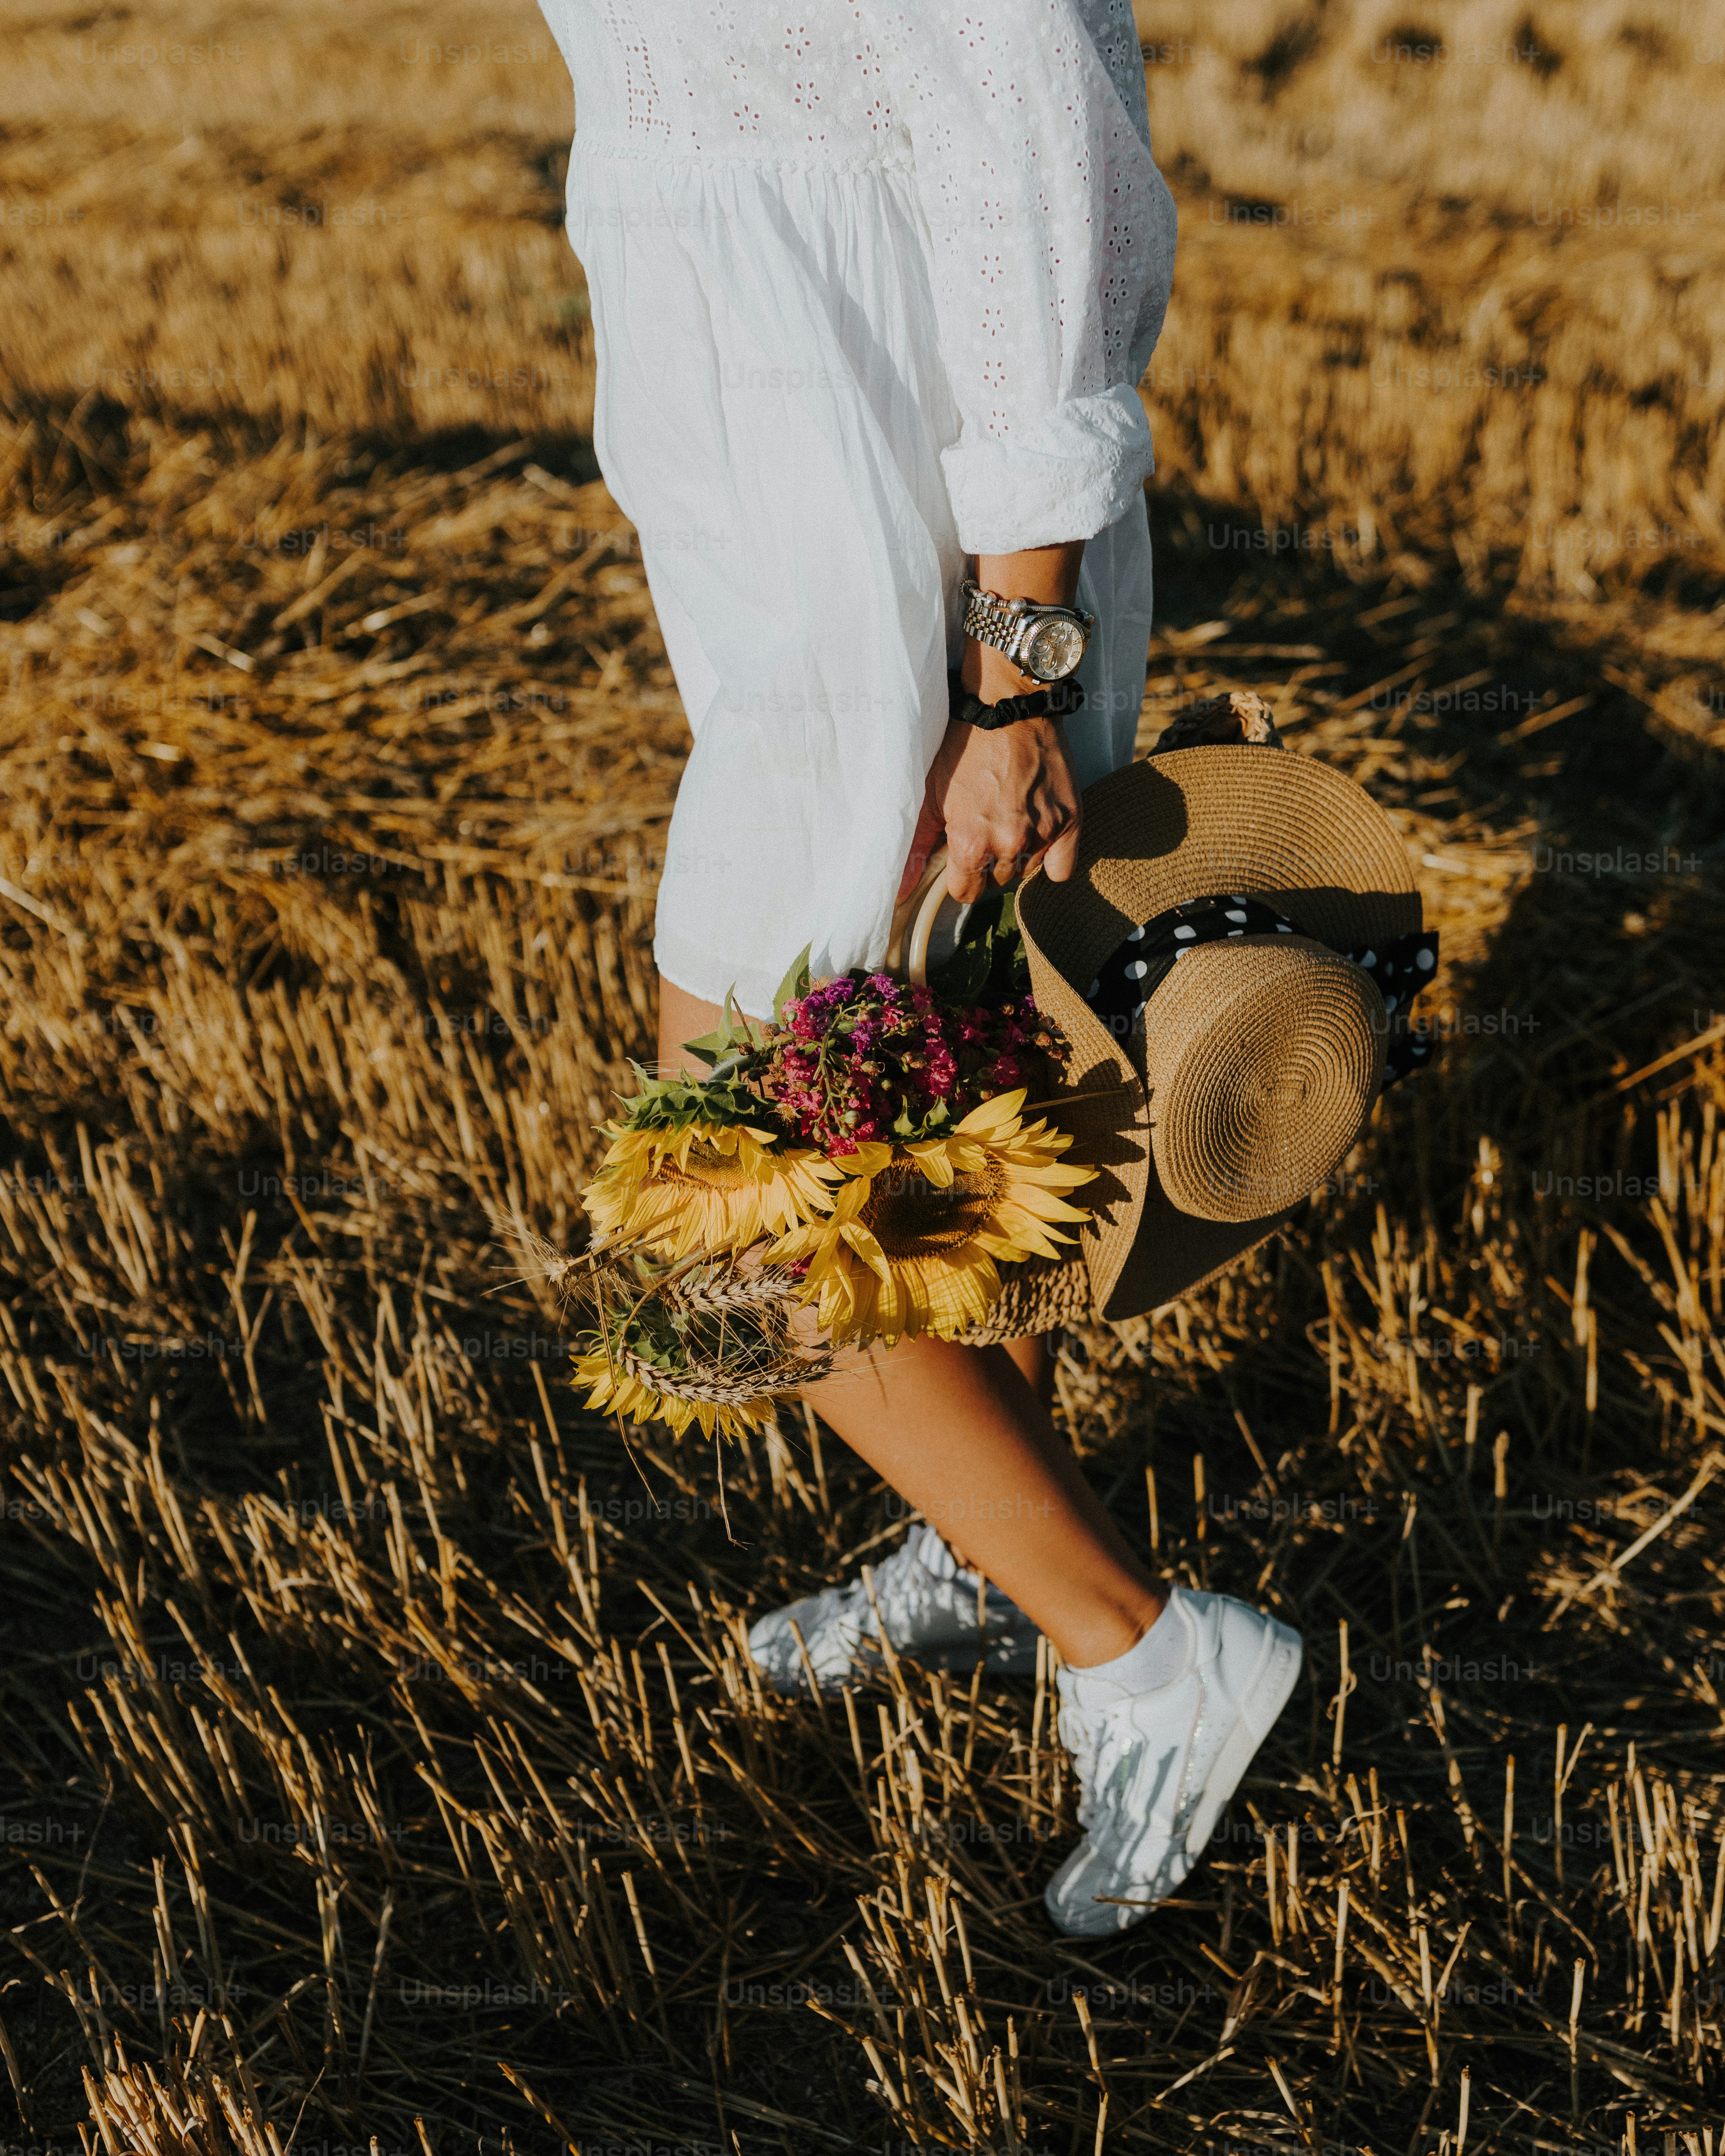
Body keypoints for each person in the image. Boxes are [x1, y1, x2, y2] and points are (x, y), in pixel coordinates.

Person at [538, 0, 1301, 1935]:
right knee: (959, 1092)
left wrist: (1009, 677)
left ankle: (1139, 1651)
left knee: (732, 1203)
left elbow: (1040, 163)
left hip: (909, 556)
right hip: (785, 509)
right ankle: (986, 1537)